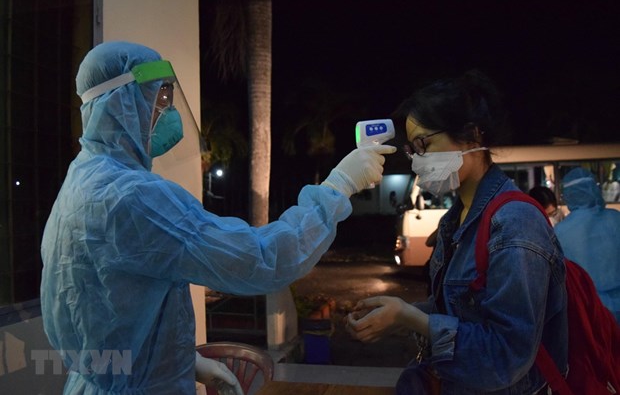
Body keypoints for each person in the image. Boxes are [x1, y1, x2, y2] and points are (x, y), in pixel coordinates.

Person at [40, 41, 396, 395]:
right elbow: (263, 259)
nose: (167, 110)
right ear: (122, 103)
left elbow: (104, 316)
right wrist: (339, 186)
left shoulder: (81, 179)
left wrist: (188, 362)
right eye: (160, 97)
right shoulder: (133, 196)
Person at [345, 70, 568, 394]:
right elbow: (458, 312)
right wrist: (396, 314)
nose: (417, 160)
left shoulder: (515, 224)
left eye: (424, 144)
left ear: (472, 136)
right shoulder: (455, 219)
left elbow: (506, 357)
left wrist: (411, 317)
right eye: (412, 150)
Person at [554, 167, 620, 322]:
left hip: (586, 311)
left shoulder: (560, 231)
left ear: (568, 195)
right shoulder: (615, 219)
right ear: (594, 189)